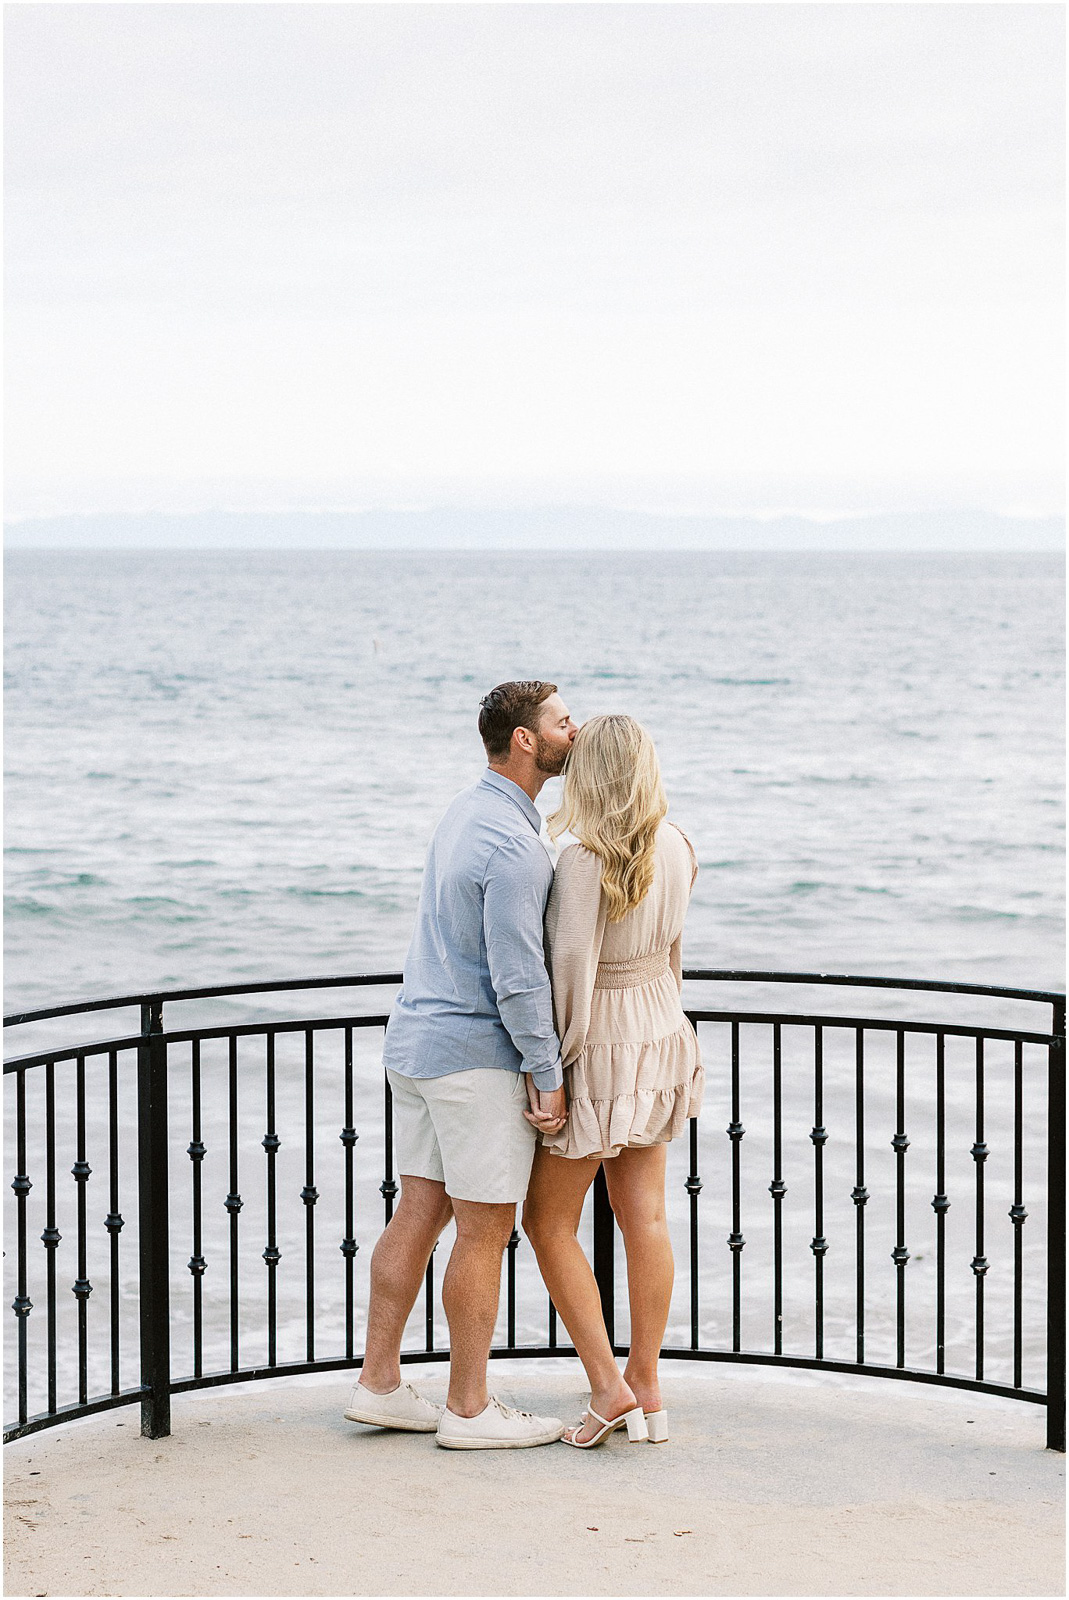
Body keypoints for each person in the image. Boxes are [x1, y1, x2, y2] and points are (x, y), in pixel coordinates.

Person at [345, 680, 578, 1448]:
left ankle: (379, 1384)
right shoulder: (514, 845)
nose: (571, 731)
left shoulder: (464, 812)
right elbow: (517, 975)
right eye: (560, 720)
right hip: (473, 1058)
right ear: (522, 739)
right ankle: (469, 1410)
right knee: (483, 1229)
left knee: (418, 1211)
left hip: (415, 1044)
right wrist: (546, 1069)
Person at [522, 714, 703, 1448]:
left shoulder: (580, 859)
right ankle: (648, 1382)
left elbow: (571, 975)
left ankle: (608, 1388)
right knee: (646, 1218)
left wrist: (550, 1074)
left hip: (598, 1043)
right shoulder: (678, 842)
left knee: (546, 1223)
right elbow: (673, 953)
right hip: (661, 1028)